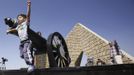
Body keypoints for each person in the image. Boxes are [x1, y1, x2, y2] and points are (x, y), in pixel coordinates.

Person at [6, 0, 35, 72]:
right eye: (18, 17)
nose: (18, 18)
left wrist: (28, 6)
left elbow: (28, 15)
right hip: (21, 43)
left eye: (20, 17)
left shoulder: (25, 23)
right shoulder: (18, 26)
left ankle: (31, 65)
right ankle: (29, 59)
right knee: (22, 55)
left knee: (26, 52)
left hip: (27, 41)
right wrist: (8, 31)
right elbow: (13, 30)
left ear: (24, 19)